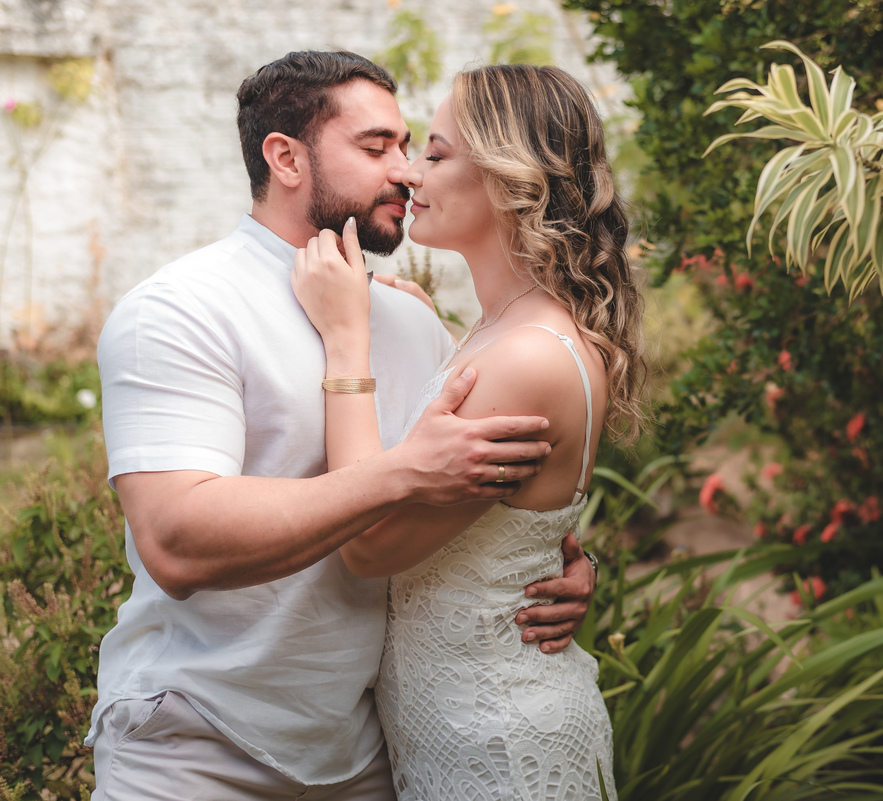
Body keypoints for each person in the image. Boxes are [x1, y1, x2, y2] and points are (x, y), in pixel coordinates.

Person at [85, 51, 597, 800]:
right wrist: (400, 472)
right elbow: (175, 539)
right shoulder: (180, 310)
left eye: (412, 146)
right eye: (376, 147)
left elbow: (471, 507)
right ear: (285, 157)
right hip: (196, 747)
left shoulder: (413, 321)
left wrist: (551, 568)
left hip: (371, 753)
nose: (406, 171)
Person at [291, 64, 645, 800]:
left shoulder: (524, 358)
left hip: (498, 745)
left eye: (438, 154)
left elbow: (367, 544)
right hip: (457, 725)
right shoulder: (501, 334)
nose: (411, 173)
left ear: (512, 178)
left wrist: (347, 341)